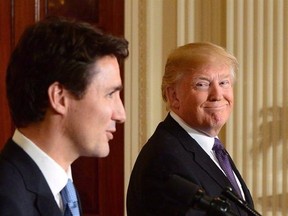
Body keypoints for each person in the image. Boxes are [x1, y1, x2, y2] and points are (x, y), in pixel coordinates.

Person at [0, 16, 128, 216]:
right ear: (59, 98)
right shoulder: (8, 201)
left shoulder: (63, 189)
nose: (121, 115)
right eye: (110, 94)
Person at [127, 42, 254, 215]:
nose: (217, 95)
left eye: (224, 82)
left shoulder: (210, 148)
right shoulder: (166, 159)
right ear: (174, 96)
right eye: (202, 84)